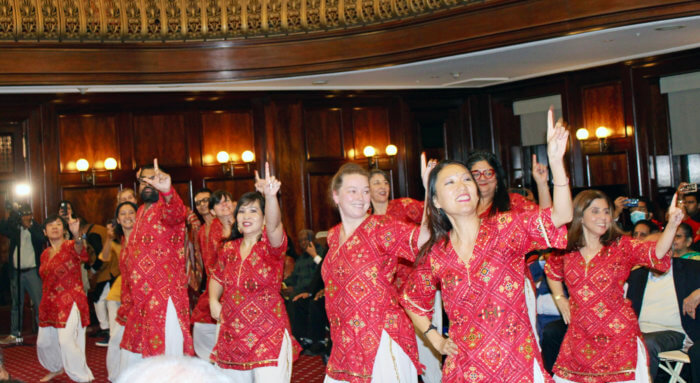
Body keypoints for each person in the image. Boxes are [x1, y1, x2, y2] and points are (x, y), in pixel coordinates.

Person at [401, 108, 571, 382]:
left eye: (467, 179)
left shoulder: (505, 228)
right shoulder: (437, 253)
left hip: (516, 363)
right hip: (465, 368)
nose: (463, 186)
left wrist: (556, 164)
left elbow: (560, 217)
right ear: (436, 201)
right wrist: (437, 341)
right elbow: (411, 299)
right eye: (451, 182)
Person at [545, 190, 684, 383]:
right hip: (579, 338)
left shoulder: (621, 246)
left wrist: (672, 224)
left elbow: (657, 253)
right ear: (580, 216)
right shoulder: (566, 249)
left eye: (606, 211)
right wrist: (560, 298)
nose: (603, 217)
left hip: (618, 337)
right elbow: (552, 270)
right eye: (595, 211)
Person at [321, 158, 434, 383]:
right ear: (336, 195)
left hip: (381, 336)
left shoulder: (381, 228)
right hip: (344, 341)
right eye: (352, 191)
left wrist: (430, 192)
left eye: (365, 191)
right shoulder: (334, 235)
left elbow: (424, 239)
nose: (361, 197)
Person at [209, 163, 300, 381]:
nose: (246, 215)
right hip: (232, 332)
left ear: (263, 218)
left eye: (253, 210)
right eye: (241, 211)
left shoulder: (271, 247)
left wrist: (270, 197)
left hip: (268, 332)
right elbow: (217, 277)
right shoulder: (229, 248)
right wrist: (213, 299)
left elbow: (275, 227)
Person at [367, 168, 443, 383]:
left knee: (428, 346)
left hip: (420, 287)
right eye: (376, 183)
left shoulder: (403, 206)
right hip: (389, 299)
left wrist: (429, 186)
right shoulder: (367, 223)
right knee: (398, 353)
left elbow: (433, 216)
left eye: (385, 182)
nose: (382, 187)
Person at [118, 159, 193, 371]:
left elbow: (176, 212)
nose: (148, 185)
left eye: (153, 180)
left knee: (166, 354)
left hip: (164, 295)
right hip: (140, 298)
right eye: (143, 182)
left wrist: (168, 191)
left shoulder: (167, 206)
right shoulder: (140, 211)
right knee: (133, 354)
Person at [626, 246, 700, 381]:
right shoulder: (637, 275)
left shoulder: (690, 268)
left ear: (669, 252)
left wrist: (698, 293)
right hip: (635, 332)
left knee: (644, 343)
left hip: (672, 333)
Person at [36, 214, 94, 382]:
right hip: (49, 302)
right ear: (45, 232)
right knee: (44, 342)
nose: (55, 227)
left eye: (59, 224)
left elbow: (80, 251)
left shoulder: (70, 245)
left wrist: (77, 235)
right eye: (51, 225)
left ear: (64, 229)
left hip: (70, 300)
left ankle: (82, 376)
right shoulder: (45, 254)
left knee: (67, 341)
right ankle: (57, 367)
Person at [191, 190, 234, 361]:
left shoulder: (224, 223)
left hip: (229, 283)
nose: (202, 204)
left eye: (206, 200)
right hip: (212, 284)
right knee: (201, 325)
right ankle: (210, 364)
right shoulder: (202, 230)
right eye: (198, 202)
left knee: (220, 328)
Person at [0, 203, 45, 345]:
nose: (26, 217)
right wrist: (11, 214)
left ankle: (43, 334)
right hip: (17, 272)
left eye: (28, 214)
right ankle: (15, 334)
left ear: (32, 214)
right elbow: (3, 227)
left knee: (39, 303)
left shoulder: (36, 227)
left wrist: (29, 226)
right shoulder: (15, 229)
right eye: (23, 214)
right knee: (16, 303)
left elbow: (41, 239)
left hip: (32, 271)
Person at [103, 201, 137, 382]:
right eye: (123, 214)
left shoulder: (144, 240)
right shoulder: (122, 241)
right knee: (117, 339)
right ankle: (116, 376)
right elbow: (104, 258)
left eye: (131, 212)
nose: (127, 217)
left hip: (141, 301)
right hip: (123, 300)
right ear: (117, 219)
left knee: (134, 342)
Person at [284, 229, 326, 352]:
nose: (303, 243)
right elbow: (293, 278)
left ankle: (314, 340)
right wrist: (284, 285)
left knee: (302, 301)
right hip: (300, 291)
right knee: (291, 300)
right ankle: (300, 339)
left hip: (317, 291)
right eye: (300, 240)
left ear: (312, 240)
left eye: (305, 239)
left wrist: (314, 255)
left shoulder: (322, 253)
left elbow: (324, 272)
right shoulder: (301, 259)